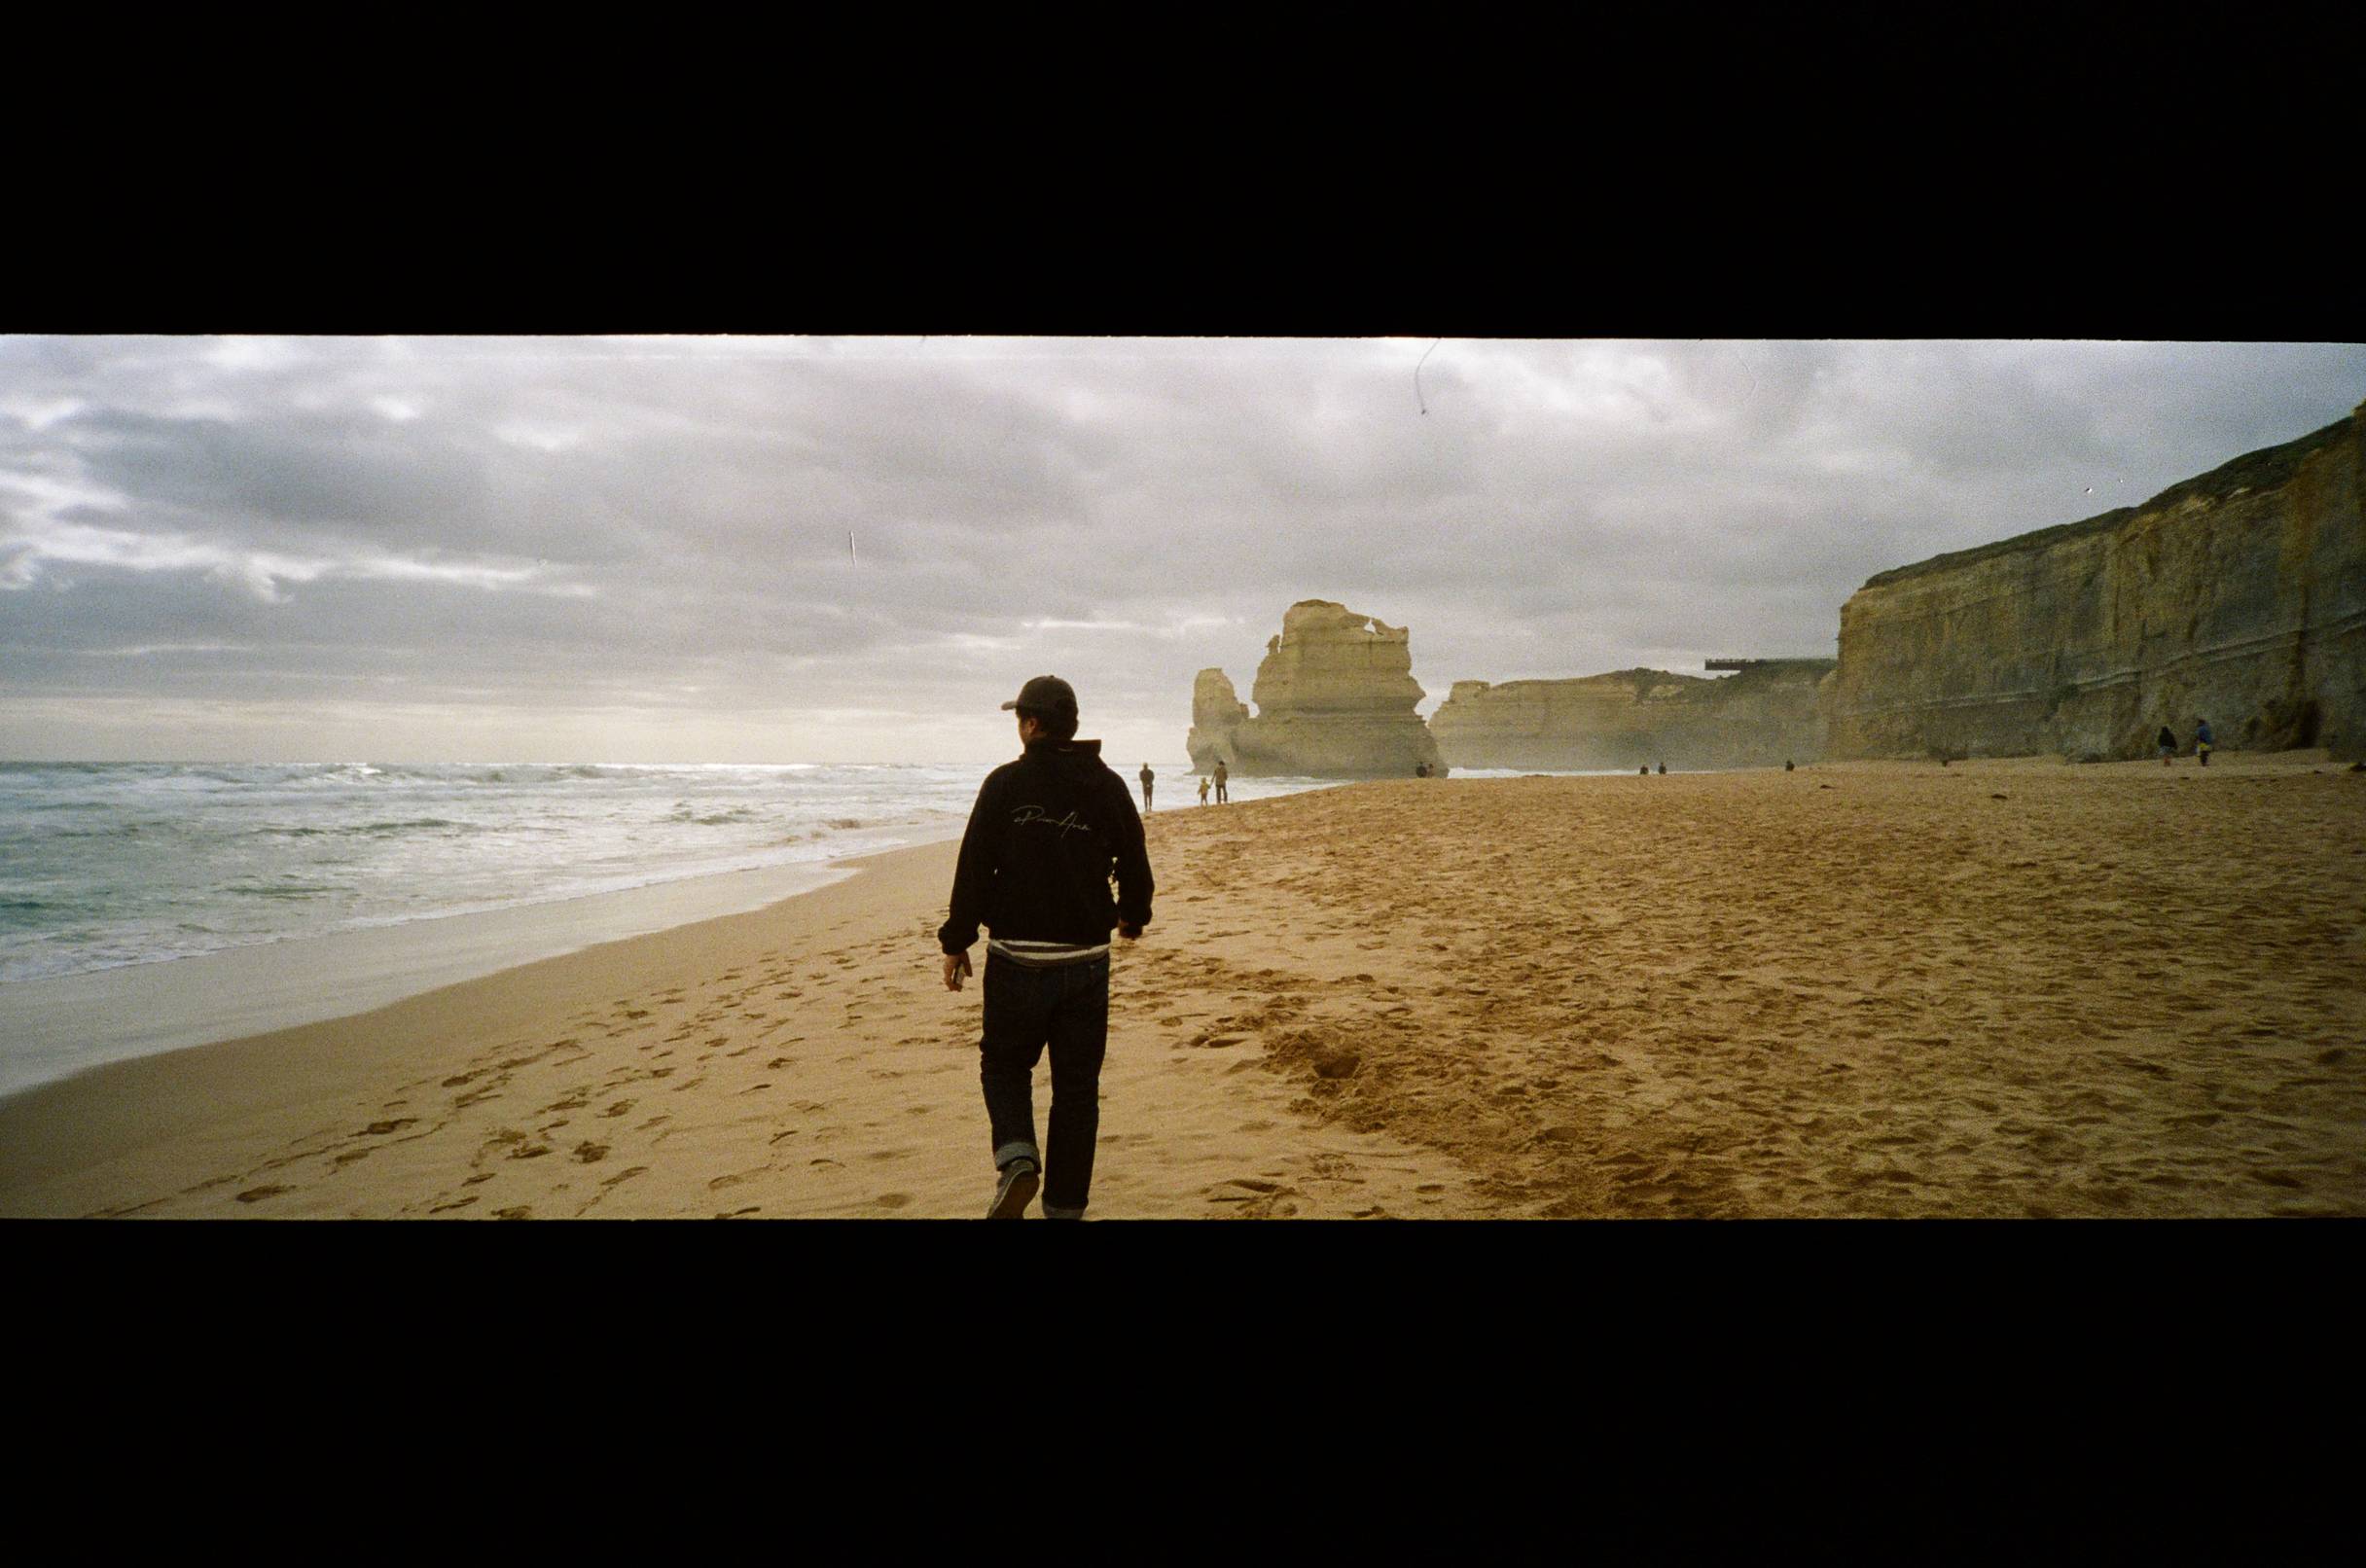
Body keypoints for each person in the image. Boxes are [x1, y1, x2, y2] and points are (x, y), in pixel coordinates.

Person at [939, 675, 1154, 1220]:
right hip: (1085, 961)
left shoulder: (1004, 784)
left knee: (1005, 1065)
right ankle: (1064, 1210)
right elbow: (1134, 859)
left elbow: (974, 868)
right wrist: (1132, 916)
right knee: (1077, 1091)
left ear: (1032, 724)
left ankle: (1016, 1158)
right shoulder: (1107, 786)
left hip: (1016, 960)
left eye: (1020, 719)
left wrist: (958, 939)